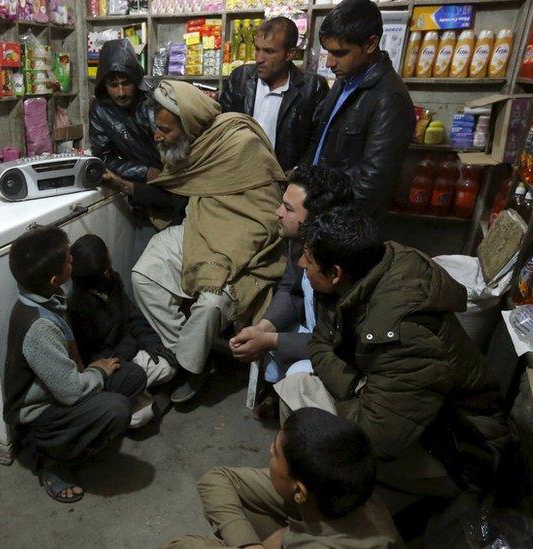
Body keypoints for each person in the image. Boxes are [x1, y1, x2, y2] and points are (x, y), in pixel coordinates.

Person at [278, 207, 510, 512]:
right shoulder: (359, 274)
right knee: (294, 389)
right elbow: (320, 342)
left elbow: (378, 440)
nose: (300, 264)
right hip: (393, 413)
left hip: (455, 452)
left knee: (315, 449)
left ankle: (332, 515)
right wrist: (357, 384)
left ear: (335, 273)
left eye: (307, 260)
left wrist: (356, 388)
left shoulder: (404, 332)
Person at [132, 79, 285, 404]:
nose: (157, 136)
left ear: (188, 125)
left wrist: (226, 253)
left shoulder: (240, 142)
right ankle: (183, 355)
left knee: (211, 303)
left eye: (165, 130)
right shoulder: (189, 149)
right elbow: (177, 189)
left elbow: (265, 216)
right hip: (200, 226)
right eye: (156, 128)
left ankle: (192, 367)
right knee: (144, 275)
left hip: (248, 245)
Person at [2, 226, 147, 503]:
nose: (74, 261)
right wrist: (98, 372)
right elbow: (69, 391)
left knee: (132, 376)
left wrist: (95, 371)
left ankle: (81, 434)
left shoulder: (49, 298)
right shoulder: (39, 326)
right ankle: (49, 457)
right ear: (56, 277)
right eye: (70, 259)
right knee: (117, 408)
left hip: (65, 385)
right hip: (39, 412)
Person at [163, 408, 402, 548]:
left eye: (276, 453)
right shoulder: (341, 489)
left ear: (300, 491)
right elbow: (218, 479)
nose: (269, 450)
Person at [228, 166, 353, 418]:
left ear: (315, 220)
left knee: (300, 383)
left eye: (288, 208)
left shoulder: (341, 268)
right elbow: (291, 287)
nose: (278, 212)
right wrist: (264, 327)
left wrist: (271, 340)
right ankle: (279, 394)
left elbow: (333, 344)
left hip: (339, 354)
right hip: (316, 333)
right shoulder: (301, 239)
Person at [305, 0, 414, 215]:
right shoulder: (344, 81)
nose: (329, 63)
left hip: (342, 224)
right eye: (328, 52)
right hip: (320, 209)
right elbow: (321, 142)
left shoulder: (389, 99)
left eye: (340, 53)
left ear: (371, 44)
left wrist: (333, 224)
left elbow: (372, 184)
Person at [89, 38, 189, 259]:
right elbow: (102, 157)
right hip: (147, 197)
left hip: (183, 185)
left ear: (136, 78)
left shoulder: (159, 94)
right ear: (104, 85)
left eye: (126, 82)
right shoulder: (100, 109)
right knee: (145, 266)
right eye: (113, 85)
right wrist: (144, 171)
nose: (121, 92)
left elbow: (186, 138)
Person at [68, 234, 180, 428]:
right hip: (112, 366)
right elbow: (94, 358)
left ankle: (140, 392)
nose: (109, 256)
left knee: (168, 365)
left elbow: (132, 316)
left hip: (129, 352)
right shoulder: (78, 306)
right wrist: (129, 358)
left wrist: (152, 342)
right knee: (139, 418)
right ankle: (134, 396)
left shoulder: (112, 282)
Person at [219, 17, 328, 173]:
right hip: (238, 176)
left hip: (283, 182)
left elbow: (317, 142)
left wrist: (297, 173)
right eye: (257, 49)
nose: (259, 59)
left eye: (269, 51)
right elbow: (222, 125)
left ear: (290, 53)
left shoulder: (312, 88)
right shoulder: (240, 78)